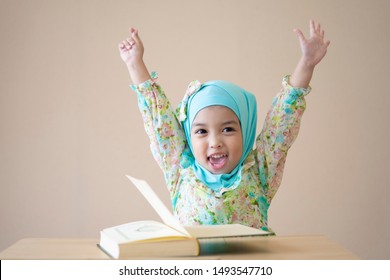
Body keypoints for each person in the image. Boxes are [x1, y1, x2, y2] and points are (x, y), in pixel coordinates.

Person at [118, 20, 330, 231]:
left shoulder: (260, 171)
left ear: (245, 131)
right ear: (188, 136)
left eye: (227, 129)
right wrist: (134, 63)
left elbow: (282, 121)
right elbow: (159, 121)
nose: (215, 142)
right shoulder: (180, 168)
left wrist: (307, 63)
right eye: (201, 131)